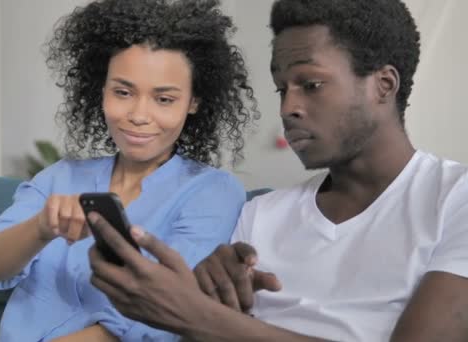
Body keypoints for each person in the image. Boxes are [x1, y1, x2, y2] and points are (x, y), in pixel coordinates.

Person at [88, 0, 468, 341]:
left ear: (383, 85)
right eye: (281, 89)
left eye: (311, 84)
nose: (288, 108)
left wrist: (197, 316)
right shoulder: (260, 215)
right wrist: (203, 294)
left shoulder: (455, 199)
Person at [0, 0, 259, 341]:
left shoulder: (212, 192)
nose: (138, 114)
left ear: (193, 102)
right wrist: (41, 228)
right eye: (123, 92)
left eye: (164, 99)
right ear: (101, 90)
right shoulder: (60, 176)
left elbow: (164, 311)